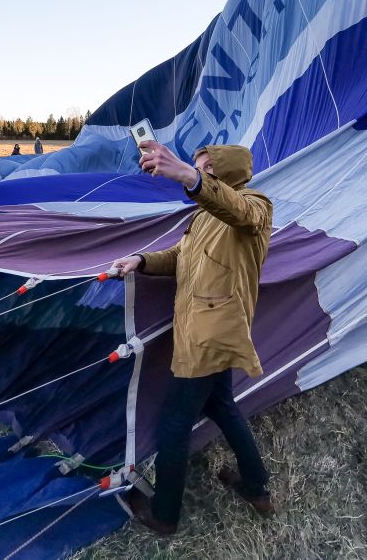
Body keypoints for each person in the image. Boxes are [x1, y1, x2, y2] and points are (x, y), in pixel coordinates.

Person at [109, 140, 274, 535]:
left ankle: (164, 514)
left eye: (206, 168)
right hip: (201, 328)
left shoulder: (257, 206)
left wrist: (187, 174)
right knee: (222, 407)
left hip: (209, 334)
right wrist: (142, 261)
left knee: (175, 421)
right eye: (197, 167)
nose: (199, 173)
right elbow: (180, 256)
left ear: (227, 173)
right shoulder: (202, 218)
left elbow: (241, 212)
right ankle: (256, 488)